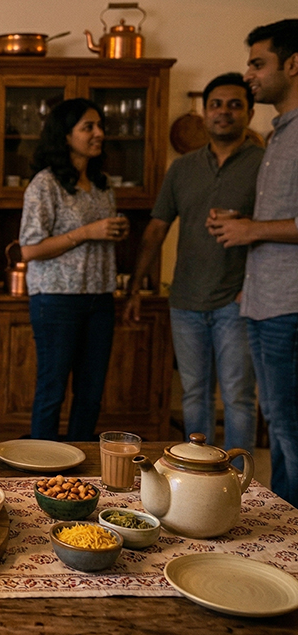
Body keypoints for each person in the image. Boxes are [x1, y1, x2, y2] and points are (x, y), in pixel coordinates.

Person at [125, 73, 263, 455]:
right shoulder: (182, 168)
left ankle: (242, 480)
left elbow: (273, 234)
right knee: (193, 393)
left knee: (237, 396)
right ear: (204, 112)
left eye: (235, 105)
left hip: (237, 300)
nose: (224, 112)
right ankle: (198, 473)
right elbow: (156, 229)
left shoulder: (263, 164)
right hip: (185, 300)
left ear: (250, 113)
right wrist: (135, 288)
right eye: (216, 104)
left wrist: (253, 287)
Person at [207, 19, 298, 506]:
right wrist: (247, 223)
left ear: (293, 64)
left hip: (289, 304)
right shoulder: (279, 133)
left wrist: (253, 230)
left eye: (258, 64)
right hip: (264, 302)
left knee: (289, 427)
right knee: (278, 426)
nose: (249, 75)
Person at [19, 98, 129, 441]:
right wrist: (87, 232)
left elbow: (100, 234)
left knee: (91, 393)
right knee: (52, 390)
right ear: (66, 135)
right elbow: (29, 248)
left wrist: (114, 231)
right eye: (88, 127)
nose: (99, 133)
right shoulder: (45, 184)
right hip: (56, 300)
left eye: (100, 126)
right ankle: (42, 463)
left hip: (100, 297)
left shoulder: (103, 183)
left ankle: (82, 463)